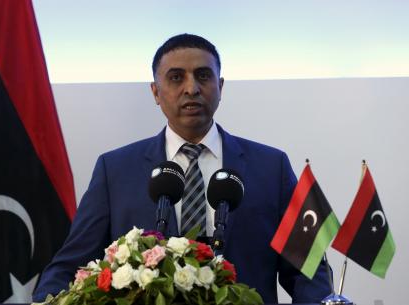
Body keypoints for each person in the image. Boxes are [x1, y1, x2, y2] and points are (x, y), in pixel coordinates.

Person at [33, 34, 331, 303]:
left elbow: (310, 270)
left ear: (220, 86)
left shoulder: (271, 166)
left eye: (203, 76)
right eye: (176, 78)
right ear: (155, 91)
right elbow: (72, 265)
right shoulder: (115, 170)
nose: (192, 88)